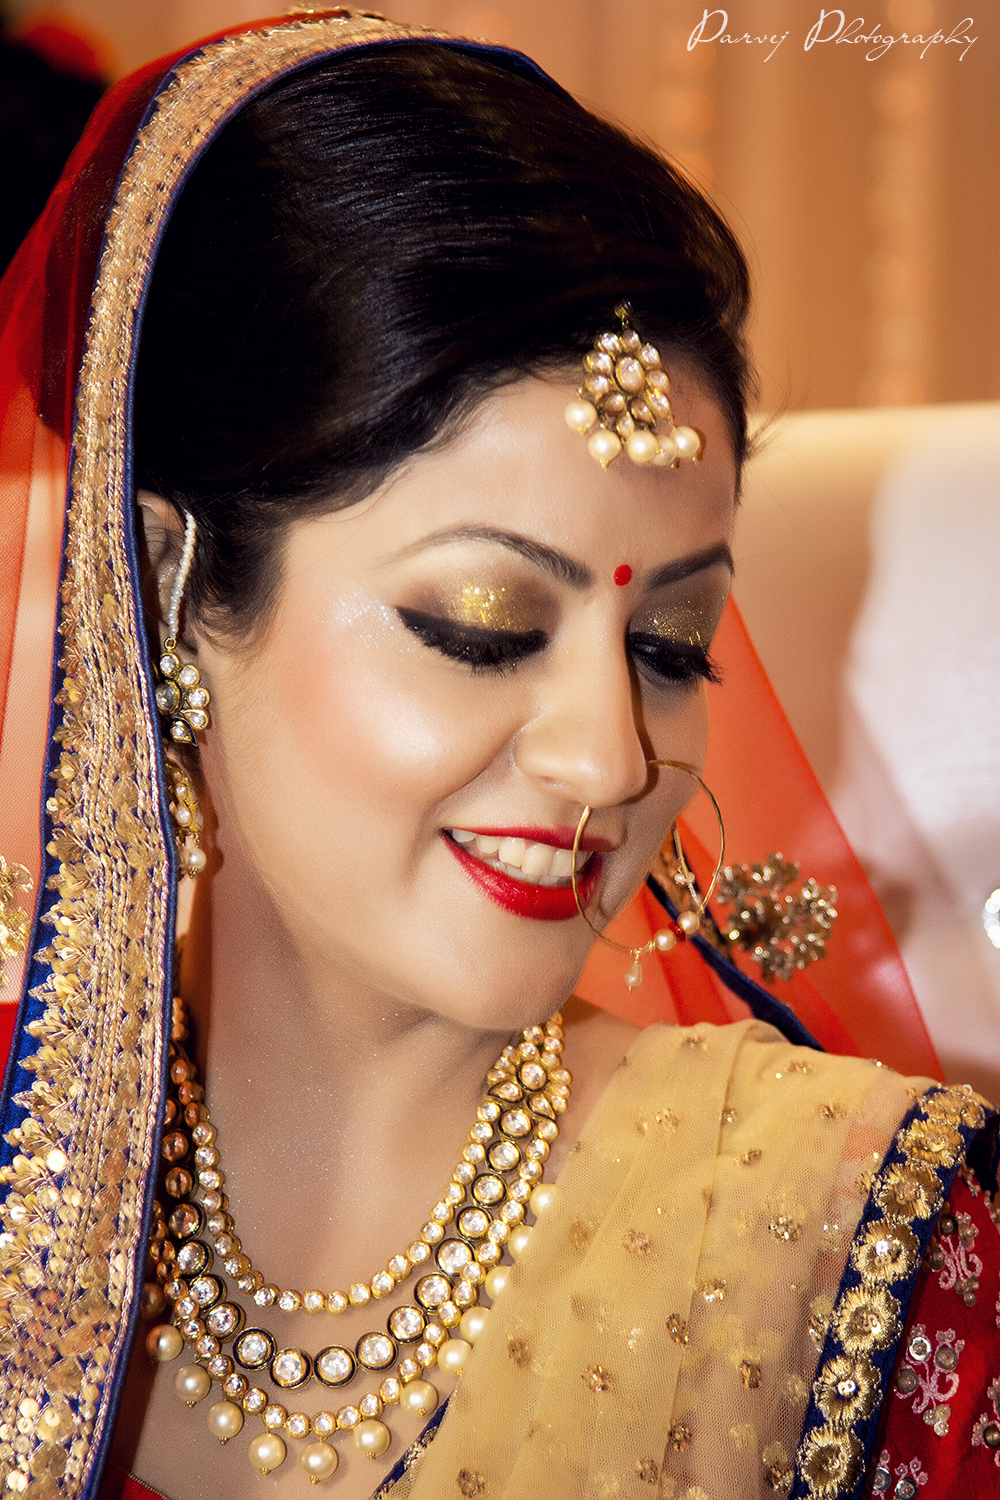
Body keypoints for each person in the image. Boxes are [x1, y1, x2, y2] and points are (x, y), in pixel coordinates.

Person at [0, 12, 996, 1500]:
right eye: (483, 627)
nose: (608, 759)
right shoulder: (19, 1154)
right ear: (164, 591)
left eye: (671, 646)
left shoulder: (842, 1245)